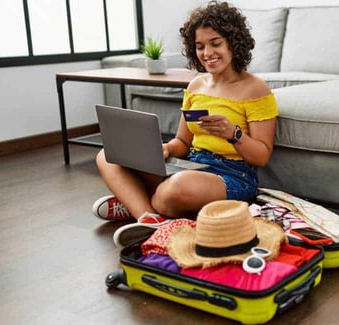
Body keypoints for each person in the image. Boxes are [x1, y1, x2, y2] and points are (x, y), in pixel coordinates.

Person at [91, 0, 278, 246]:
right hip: (191, 166)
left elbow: (262, 156)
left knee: (173, 190)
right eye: (199, 46)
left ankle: (134, 203)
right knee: (107, 155)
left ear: (234, 42)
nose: (207, 53)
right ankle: (149, 219)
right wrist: (166, 149)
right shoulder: (196, 85)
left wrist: (233, 134)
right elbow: (182, 142)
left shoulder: (255, 88)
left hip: (233, 176)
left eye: (215, 43)